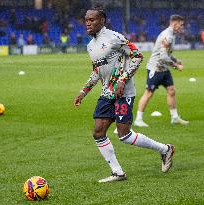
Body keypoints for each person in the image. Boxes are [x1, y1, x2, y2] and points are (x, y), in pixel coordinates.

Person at [74, 7, 175, 183]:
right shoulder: (90, 46)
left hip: (123, 92)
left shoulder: (115, 37)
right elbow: (97, 71)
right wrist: (84, 91)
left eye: (92, 20)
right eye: (86, 20)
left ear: (102, 21)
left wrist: (122, 80)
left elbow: (137, 56)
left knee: (124, 135)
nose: (88, 23)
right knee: (98, 132)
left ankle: (165, 149)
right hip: (107, 93)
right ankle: (118, 172)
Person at [134, 15, 189, 127]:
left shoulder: (171, 35)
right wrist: (176, 66)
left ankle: (174, 118)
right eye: (181, 25)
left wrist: (176, 60)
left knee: (171, 91)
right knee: (148, 93)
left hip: (163, 68)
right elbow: (163, 56)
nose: (182, 27)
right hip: (155, 69)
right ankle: (138, 119)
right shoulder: (167, 36)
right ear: (175, 24)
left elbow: (167, 53)